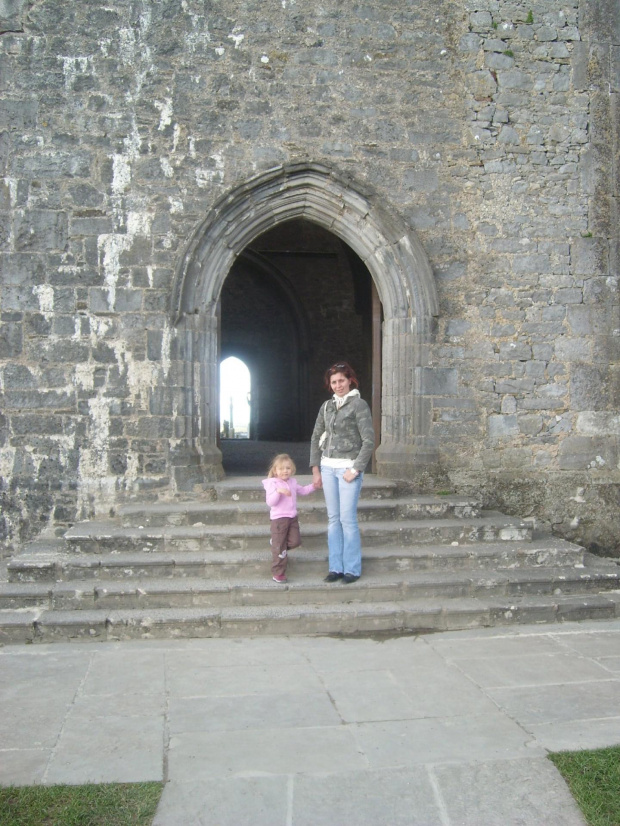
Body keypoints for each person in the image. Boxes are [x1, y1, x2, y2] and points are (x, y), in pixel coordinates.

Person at [310, 362, 375, 584]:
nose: (338, 385)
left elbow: (369, 441)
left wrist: (355, 468)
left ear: (350, 381)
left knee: (347, 520)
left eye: (341, 381)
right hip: (327, 467)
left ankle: (352, 569)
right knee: (333, 519)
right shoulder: (326, 407)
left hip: (348, 468)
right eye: (334, 382)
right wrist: (316, 469)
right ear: (330, 384)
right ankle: (335, 567)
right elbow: (316, 436)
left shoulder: (359, 405)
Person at [262, 454, 317, 583]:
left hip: (292, 517)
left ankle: (276, 542)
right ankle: (278, 573)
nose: (285, 471)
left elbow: (303, 491)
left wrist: (314, 486)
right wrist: (279, 492)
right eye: (281, 469)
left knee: (295, 541)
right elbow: (271, 502)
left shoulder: (292, 482)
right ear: (275, 471)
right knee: (280, 550)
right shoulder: (272, 484)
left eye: (287, 468)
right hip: (279, 519)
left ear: (292, 470)